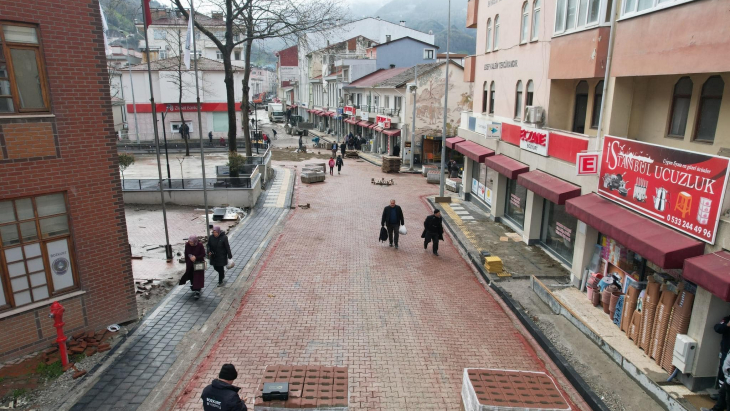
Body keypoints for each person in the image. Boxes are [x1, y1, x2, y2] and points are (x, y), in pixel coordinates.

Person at [704, 315, 730, 410]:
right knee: (722, 376)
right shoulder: (727, 319)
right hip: (725, 352)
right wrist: (727, 325)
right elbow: (717, 328)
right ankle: (720, 399)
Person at [184, 235, 206, 299]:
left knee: (198, 277)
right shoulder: (187, 245)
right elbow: (186, 254)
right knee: (192, 276)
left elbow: (203, 254)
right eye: (190, 242)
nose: (191, 243)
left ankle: (197, 291)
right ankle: (194, 286)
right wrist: (188, 260)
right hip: (190, 263)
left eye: (192, 242)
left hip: (198, 263)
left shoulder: (200, 245)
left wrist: (196, 257)